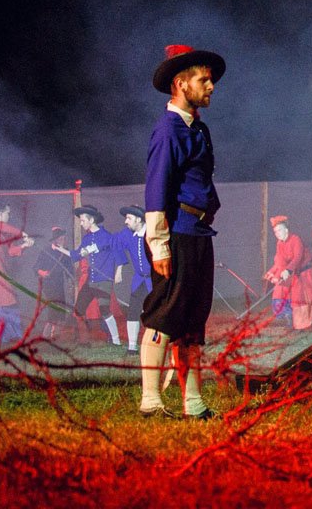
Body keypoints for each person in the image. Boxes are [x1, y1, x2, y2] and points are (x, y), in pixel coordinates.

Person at [138, 43, 225, 420]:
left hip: (199, 234)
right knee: (164, 315)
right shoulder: (169, 131)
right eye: (203, 80)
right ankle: (151, 401)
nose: (210, 86)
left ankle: (193, 403)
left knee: (193, 322)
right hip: (176, 234)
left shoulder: (198, 129)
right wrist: (159, 246)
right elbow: (156, 190)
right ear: (181, 83)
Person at [54, 205, 122, 346]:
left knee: (104, 310)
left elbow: (118, 254)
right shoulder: (86, 238)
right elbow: (76, 255)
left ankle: (116, 341)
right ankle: (84, 340)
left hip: (103, 281)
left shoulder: (107, 236)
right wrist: (60, 249)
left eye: (83, 220)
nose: (81, 222)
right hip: (91, 281)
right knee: (78, 311)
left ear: (91, 220)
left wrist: (118, 272)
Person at [0, 201, 37, 343]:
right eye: (8, 213)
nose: (9, 216)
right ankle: (6, 339)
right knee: (1, 304)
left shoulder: (2, 233)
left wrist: (24, 245)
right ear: (1, 212)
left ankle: (8, 339)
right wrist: (22, 233)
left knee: (4, 304)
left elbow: (10, 251)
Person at [115, 205, 153, 353]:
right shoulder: (126, 234)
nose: (126, 221)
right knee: (133, 311)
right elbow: (114, 243)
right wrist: (120, 268)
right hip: (139, 280)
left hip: (155, 281)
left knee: (154, 312)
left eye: (129, 218)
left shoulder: (152, 233)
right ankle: (132, 346)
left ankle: (154, 345)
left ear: (139, 219)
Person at [33, 226, 76, 339]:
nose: (63, 239)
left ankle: (55, 333)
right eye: (61, 238)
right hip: (48, 284)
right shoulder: (45, 251)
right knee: (54, 306)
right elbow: (36, 267)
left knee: (60, 306)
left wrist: (71, 282)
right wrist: (42, 272)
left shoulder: (64, 252)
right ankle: (46, 334)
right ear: (56, 239)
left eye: (63, 237)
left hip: (59, 283)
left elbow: (69, 270)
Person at [264, 216, 305, 326]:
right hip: (288, 273)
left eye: (279, 230)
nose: (277, 233)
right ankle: (288, 317)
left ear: (286, 230)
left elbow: (298, 257)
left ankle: (295, 318)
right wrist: (271, 271)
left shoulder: (296, 239)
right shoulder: (279, 243)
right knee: (278, 294)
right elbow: (279, 261)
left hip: (301, 272)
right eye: (275, 231)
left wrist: (288, 270)